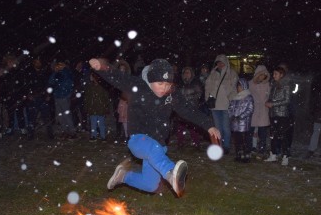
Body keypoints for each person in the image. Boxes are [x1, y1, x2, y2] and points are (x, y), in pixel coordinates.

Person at [89, 57, 221, 197]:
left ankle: (123, 177)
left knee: (150, 185)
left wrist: (209, 125)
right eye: (160, 83)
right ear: (150, 80)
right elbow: (117, 77)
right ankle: (171, 173)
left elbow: (188, 110)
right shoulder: (138, 86)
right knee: (154, 148)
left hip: (158, 144)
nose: (164, 88)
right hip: (139, 140)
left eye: (167, 84)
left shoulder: (172, 95)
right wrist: (101, 66)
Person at [205, 54, 238, 154]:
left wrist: (232, 100)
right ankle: (219, 146)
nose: (220, 64)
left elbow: (234, 89)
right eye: (218, 62)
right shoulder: (213, 73)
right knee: (218, 128)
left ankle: (226, 146)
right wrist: (207, 99)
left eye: (222, 62)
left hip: (226, 105)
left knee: (226, 127)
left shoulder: (232, 73)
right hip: (214, 105)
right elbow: (207, 87)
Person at [265, 66, 291, 165]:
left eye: (276, 74)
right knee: (273, 135)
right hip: (273, 114)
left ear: (281, 75)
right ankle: (273, 154)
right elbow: (272, 98)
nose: (274, 75)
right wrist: (268, 102)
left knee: (283, 136)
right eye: (273, 73)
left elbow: (287, 100)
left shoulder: (286, 85)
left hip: (282, 115)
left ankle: (285, 156)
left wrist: (273, 104)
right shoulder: (274, 85)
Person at [176, 66, 205, 150]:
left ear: (191, 74)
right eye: (185, 72)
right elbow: (177, 94)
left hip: (192, 107)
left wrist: (188, 99)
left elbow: (199, 94)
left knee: (193, 127)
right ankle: (180, 143)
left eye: (188, 72)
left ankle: (196, 143)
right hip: (182, 108)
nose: (186, 74)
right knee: (180, 127)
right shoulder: (180, 83)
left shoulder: (195, 82)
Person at [48, 59, 76, 139]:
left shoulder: (67, 73)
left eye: (60, 65)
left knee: (67, 115)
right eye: (57, 65)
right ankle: (65, 131)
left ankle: (72, 132)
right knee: (60, 116)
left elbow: (69, 85)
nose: (58, 67)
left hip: (64, 96)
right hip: (57, 96)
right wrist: (54, 72)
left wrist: (67, 95)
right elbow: (50, 82)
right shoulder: (56, 74)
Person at [228, 78, 254, 162]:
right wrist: (231, 115)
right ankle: (239, 155)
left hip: (243, 124)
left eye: (239, 86)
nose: (238, 88)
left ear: (243, 86)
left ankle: (246, 156)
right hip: (235, 123)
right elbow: (230, 107)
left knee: (244, 140)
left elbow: (250, 110)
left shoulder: (248, 97)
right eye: (237, 86)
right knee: (237, 140)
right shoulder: (236, 97)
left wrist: (240, 116)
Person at [249, 65, 271, 159]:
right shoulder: (250, 84)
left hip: (263, 110)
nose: (262, 76)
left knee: (262, 132)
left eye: (264, 75)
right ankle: (250, 148)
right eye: (261, 74)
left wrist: (268, 102)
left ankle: (262, 149)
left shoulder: (267, 85)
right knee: (251, 131)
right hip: (253, 110)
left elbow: (270, 96)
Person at [83, 72, 111, 141]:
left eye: (91, 76)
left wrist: (106, 106)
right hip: (93, 108)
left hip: (100, 108)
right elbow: (87, 98)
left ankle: (103, 136)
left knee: (101, 123)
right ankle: (94, 136)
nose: (90, 78)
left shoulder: (102, 87)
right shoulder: (90, 87)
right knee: (93, 123)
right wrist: (87, 106)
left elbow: (106, 97)